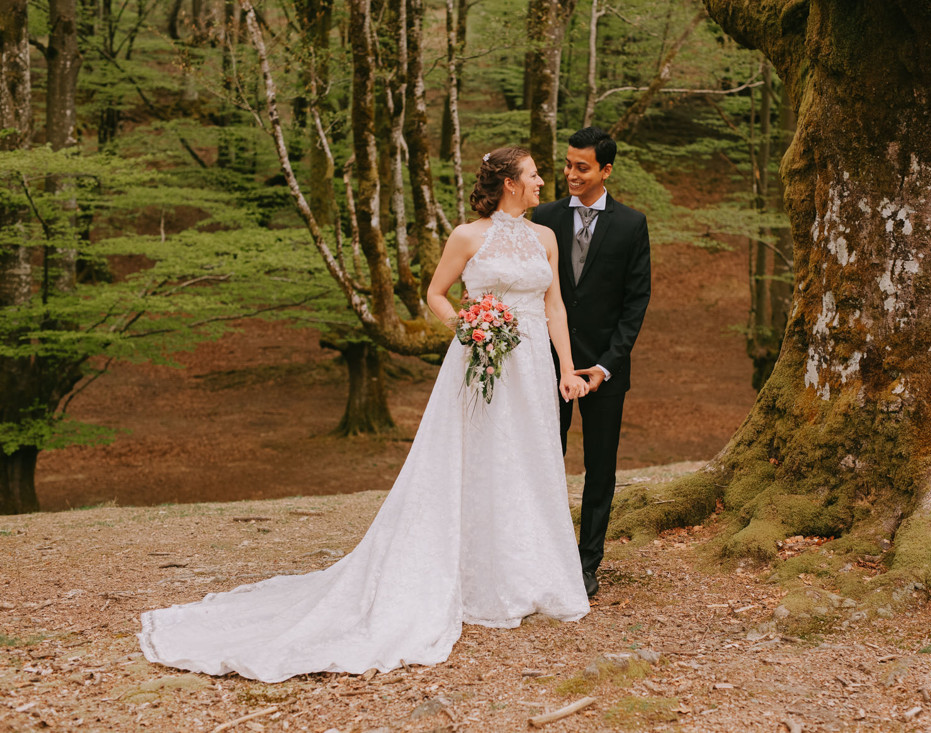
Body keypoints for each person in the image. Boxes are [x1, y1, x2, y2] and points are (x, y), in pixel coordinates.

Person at [138, 147, 591, 683]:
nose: (544, 181)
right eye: (534, 173)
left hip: (534, 361)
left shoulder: (546, 238)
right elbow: (436, 295)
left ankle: (531, 576)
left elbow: (555, 306)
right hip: (484, 361)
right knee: (482, 461)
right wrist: (470, 326)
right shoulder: (469, 236)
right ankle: (477, 580)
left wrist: (567, 367)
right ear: (511, 183)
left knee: (530, 462)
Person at [532, 127, 651, 598]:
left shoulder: (630, 224)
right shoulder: (543, 217)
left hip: (605, 369)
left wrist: (605, 366)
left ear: (605, 170)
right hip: (547, 365)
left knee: (600, 469)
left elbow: (636, 301)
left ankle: (586, 564)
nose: (570, 174)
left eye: (582, 167)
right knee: (545, 460)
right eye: (567, 164)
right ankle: (545, 553)